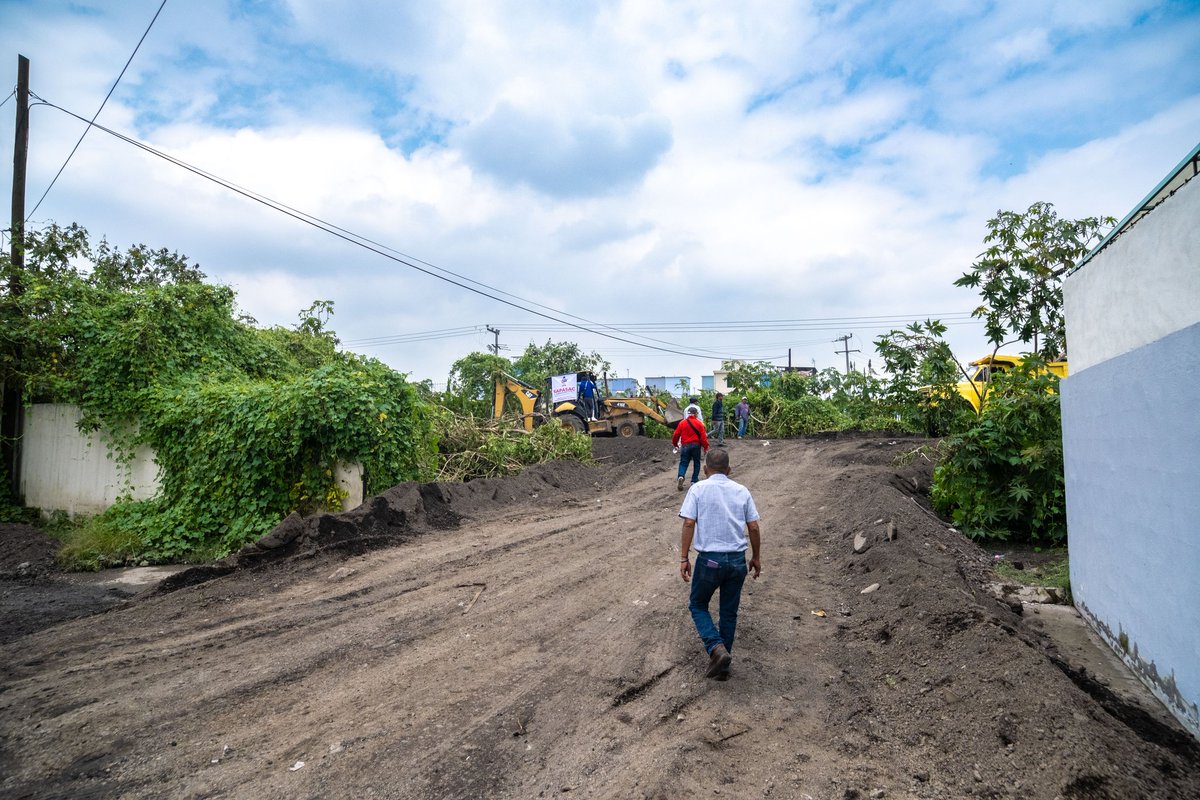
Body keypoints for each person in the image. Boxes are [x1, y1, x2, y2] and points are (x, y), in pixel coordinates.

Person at [678, 448, 762, 680]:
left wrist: (684, 558)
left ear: (705, 470)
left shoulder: (698, 489)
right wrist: (755, 557)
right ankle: (723, 667)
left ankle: (716, 648)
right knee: (728, 612)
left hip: (710, 561)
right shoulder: (741, 490)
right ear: (729, 470)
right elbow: (753, 527)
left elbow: (688, 523)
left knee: (697, 605)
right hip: (737, 561)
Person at [671, 406, 708, 491]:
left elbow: (676, 434)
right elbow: (703, 437)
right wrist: (705, 447)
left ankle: (681, 476)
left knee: (683, 462)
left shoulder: (682, 423)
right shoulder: (699, 424)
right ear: (696, 414)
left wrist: (675, 444)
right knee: (696, 463)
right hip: (696, 445)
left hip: (685, 446)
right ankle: (694, 480)